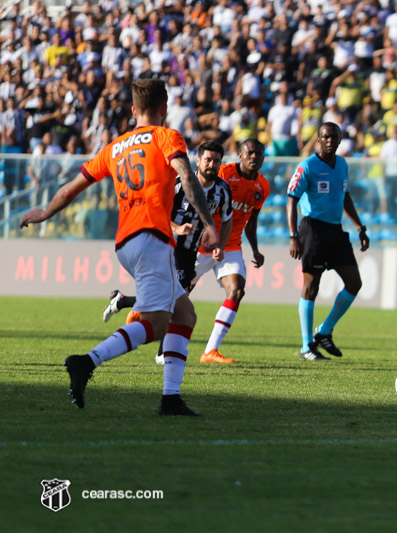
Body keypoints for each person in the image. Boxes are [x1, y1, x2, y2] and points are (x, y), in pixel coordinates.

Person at [19, 79, 219, 416]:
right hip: (153, 238)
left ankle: (171, 398)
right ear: (164, 108)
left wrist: (44, 213)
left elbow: (71, 187)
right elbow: (185, 175)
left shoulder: (115, 146)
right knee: (155, 325)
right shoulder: (166, 136)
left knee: (184, 313)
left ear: (132, 110)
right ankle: (86, 361)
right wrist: (209, 224)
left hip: (126, 241)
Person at [102, 141, 234, 367]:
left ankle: (125, 302)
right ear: (198, 161)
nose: (212, 164)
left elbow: (228, 219)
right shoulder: (178, 183)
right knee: (175, 300)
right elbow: (155, 210)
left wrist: (220, 245)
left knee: (172, 299)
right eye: (208, 160)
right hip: (165, 246)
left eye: (216, 161)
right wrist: (176, 227)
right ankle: (163, 353)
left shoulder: (222, 190)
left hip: (190, 252)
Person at [287, 122, 369, 361]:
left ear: (340, 139)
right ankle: (306, 346)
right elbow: (291, 199)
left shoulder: (342, 164)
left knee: (354, 282)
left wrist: (359, 227)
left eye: (334, 137)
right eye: (325, 137)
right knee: (311, 287)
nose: (330, 140)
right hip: (312, 229)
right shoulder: (307, 167)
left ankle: (324, 331)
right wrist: (294, 236)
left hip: (335, 230)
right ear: (318, 140)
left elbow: (345, 196)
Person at [191, 138, 269, 364]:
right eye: (250, 153)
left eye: (258, 154)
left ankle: (210, 351)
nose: (254, 157)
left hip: (231, 246)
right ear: (241, 155)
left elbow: (251, 221)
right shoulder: (223, 173)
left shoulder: (263, 186)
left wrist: (255, 250)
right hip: (202, 246)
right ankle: (133, 305)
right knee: (176, 295)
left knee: (236, 290)